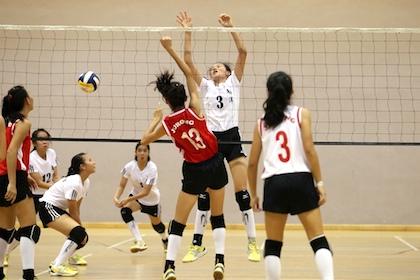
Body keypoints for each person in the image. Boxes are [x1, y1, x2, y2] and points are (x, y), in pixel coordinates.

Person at [141, 36, 228, 280]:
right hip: (216, 163)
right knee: (218, 215)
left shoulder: (167, 124)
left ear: (167, 102)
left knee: (179, 221)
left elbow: (144, 141)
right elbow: (189, 72)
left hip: (194, 170)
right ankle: (219, 261)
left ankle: (169, 266)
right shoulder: (196, 108)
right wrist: (171, 49)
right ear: (184, 97)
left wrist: (156, 119)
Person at [177, 11, 260, 262]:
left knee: (241, 192)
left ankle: (253, 243)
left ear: (226, 72)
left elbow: (243, 53)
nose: (214, 69)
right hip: (210, 141)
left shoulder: (234, 82)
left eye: (219, 68)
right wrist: (188, 31)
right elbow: (188, 61)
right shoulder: (204, 86)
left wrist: (231, 27)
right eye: (212, 68)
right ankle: (197, 244)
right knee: (204, 194)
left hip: (232, 138)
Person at [247, 71, 334, 280]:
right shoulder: (301, 113)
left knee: (273, 244)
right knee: (318, 240)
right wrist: (319, 183)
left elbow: (251, 163)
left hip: (274, 183)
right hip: (301, 179)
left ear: (269, 92)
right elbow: (310, 150)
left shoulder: (261, 124)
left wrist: (254, 194)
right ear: (291, 91)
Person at [0, 85, 39, 280]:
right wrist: (14, 183)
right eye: (30, 94)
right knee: (29, 228)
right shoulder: (23, 123)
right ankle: (28, 274)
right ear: (26, 101)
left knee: (5, 229)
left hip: (2, 175)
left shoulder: (6, 122)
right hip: (12, 176)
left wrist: (24, 172)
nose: (32, 97)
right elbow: (11, 151)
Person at [38, 152, 96, 277]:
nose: (94, 162)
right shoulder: (74, 182)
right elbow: (73, 211)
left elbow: (77, 207)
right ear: (83, 166)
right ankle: (57, 266)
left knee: (82, 238)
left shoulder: (86, 182)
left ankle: (58, 262)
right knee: (79, 233)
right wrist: (80, 228)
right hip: (48, 207)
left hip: (58, 209)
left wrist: (80, 229)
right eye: (90, 160)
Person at [113, 141, 168, 253]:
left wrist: (127, 199)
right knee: (125, 211)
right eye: (139, 151)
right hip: (136, 197)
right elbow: (122, 185)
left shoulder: (152, 168)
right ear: (135, 152)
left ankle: (165, 238)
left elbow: (146, 191)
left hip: (151, 200)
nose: (142, 153)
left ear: (148, 153)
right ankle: (139, 240)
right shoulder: (130, 166)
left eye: (145, 151)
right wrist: (116, 197)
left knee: (157, 226)